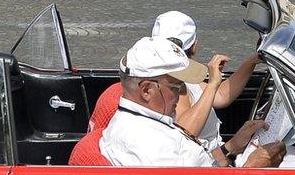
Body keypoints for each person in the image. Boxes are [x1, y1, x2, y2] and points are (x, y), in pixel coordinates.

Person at [101, 36, 277, 168]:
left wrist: (230, 147)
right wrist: (253, 169)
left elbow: (198, 169)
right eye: (176, 86)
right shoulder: (149, 144)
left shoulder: (150, 122)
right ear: (147, 90)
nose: (181, 94)